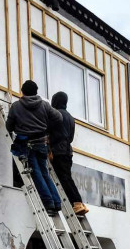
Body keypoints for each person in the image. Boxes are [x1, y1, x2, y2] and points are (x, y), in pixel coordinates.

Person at [6, 80, 63, 214]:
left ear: (23, 91)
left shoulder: (16, 106)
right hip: (41, 143)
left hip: (27, 145)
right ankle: (57, 202)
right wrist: (46, 127)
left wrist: (20, 127)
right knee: (44, 173)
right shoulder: (44, 105)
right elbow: (59, 118)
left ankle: (48, 203)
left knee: (36, 174)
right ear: (36, 91)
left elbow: (9, 126)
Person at [49, 91, 89, 216]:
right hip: (68, 151)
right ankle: (79, 203)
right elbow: (70, 137)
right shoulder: (70, 117)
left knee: (64, 178)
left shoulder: (56, 114)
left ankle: (77, 203)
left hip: (59, 150)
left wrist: (50, 148)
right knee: (67, 177)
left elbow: (50, 132)